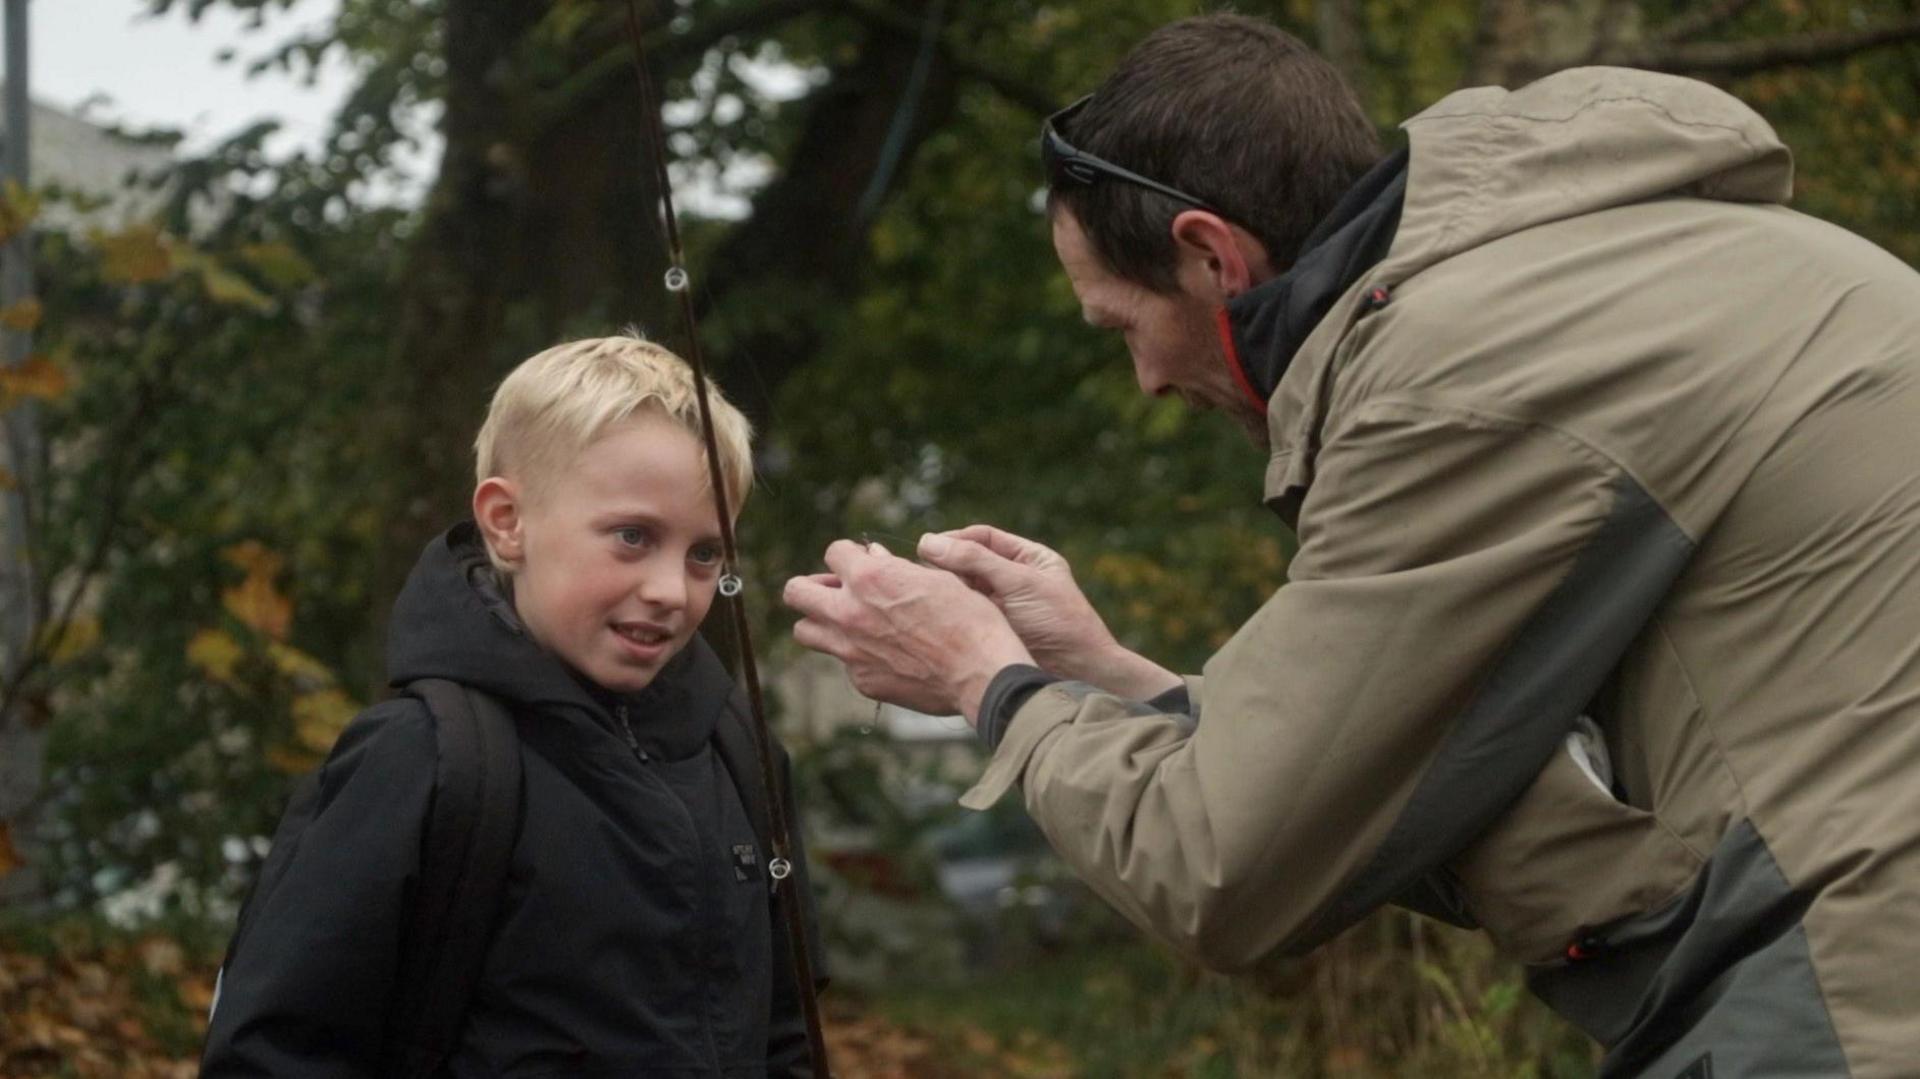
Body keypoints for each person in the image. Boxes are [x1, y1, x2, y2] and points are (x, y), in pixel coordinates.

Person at [782, 13, 1920, 1077]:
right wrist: (1101, 674)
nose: (1145, 378)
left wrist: (985, 681)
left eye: (1124, 325)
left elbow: (1224, 872)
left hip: (1857, 965)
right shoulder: (1611, 260)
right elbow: (1409, 777)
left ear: (1211, 256)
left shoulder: (1467, 368)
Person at [204, 335, 822, 1076]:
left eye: (705, 554)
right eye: (633, 536)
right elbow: (274, 1053)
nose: (671, 589)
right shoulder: (423, 759)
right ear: (506, 521)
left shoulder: (738, 751)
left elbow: (786, 1036)